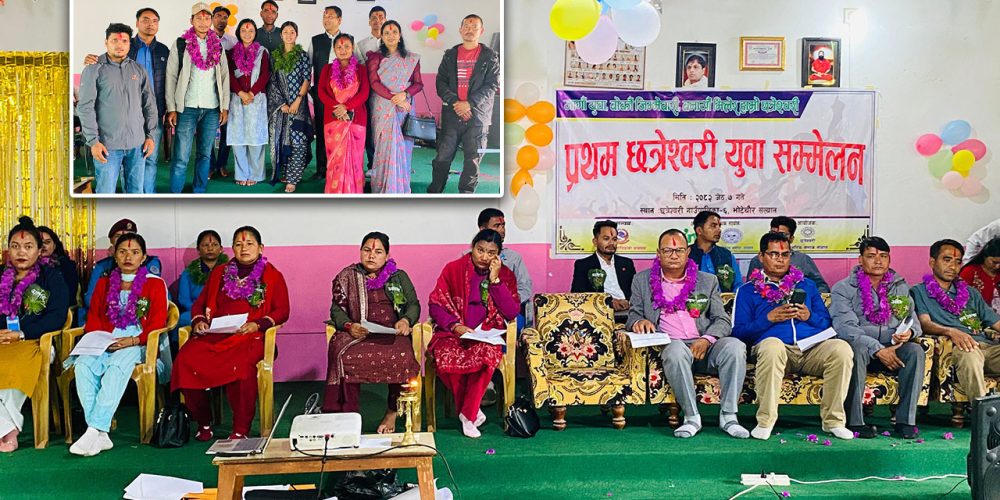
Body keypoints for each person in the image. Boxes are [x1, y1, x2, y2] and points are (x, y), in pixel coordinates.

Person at [732, 231, 854, 441]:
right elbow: (739, 332)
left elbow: (826, 322)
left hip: (810, 349)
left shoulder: (807, 285)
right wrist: (768, 319)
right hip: (774, 350)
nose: (780, 259)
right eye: (774, 254)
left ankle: (834, 421)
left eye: (785, 254)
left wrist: (809, 316)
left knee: (841, 349)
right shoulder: (747, 291)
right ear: (761, 257)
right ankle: (765, 421)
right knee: (772, 346)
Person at [627, 229, 748, 439]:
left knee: (735, 346)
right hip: (673, 346)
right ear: (658, 253)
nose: (674, 255)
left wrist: (706, 339)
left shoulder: (707, 280)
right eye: (668, 250)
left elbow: (722, 320)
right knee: (675, 350)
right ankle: (692, 418)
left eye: (679, 250)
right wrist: (639, 321)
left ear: (688, 252)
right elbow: (633, 315)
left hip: (706, 346)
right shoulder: (642, 280)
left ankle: (729, 416)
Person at [172, 226, 290, 440]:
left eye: (249, 243)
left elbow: (282, 311)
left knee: (241, 366)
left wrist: (257, 324)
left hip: (251, 337)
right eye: (238, 244)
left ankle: (240, 429)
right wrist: (199, 321)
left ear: (261, 248)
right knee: (185, 360)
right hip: (216, 334)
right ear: (232, 249)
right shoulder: (220, 272)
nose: (244, 248)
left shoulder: (273, 275)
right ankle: (203, 421)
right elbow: (199, 305)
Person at [69, 233, 169, 456]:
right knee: (82, 366)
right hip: (107, 339)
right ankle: (101, 435)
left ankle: (93, 430)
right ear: (114, 255)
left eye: (134, 252)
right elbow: (94, 318)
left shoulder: (155, 284)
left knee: (116, 368)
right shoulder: (104, 283)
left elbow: (157, 322)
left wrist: (133, 340)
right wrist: (101, 341)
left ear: (144, 257)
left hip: (138, 341)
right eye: (122, 251)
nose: (128, 257)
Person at [323, 232, 419, 434]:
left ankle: (392, 411)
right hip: (359, 333)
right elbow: (336, 310)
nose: (371, 255)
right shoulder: (347, 276)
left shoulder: (398, 276)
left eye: (378, 252)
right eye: (366, 250)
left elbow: (413, 304)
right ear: (360, 252)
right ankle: (347, 416)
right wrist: (349, 326)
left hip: (392, 333)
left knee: (403, 356)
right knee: (343, 356)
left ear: (387, 255)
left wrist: (405, 320)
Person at [428, 229, 519, 438]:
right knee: (445, 355)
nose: (484, 257)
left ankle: (467, 415)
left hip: (487, 334)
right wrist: (454, 326)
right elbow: (435, 304)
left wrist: (495, 281)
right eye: (480, 250)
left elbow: (511, 312)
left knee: (485, 356)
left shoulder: (505, 275)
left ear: (498, 255)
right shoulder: (453, 269)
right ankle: (471, 412)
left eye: (491, 253)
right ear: (472, 247)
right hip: (454, 333)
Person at [830, 237, 924, 439]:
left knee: (915, 351)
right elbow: (846, 328)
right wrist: (878, 349)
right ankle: (855, 420)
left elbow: (913, 321)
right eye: (871, 256)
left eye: (883, 256)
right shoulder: (843, 288)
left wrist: (910, 333)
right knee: (855, 349)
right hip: (863, 346)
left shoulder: (899, 286)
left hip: (894, 346)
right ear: (860, 260)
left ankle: (905, 421)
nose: (878, 261)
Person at [0, 217, 70, 453]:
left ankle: (7, 431)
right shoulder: (1, 275)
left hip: (36, 342)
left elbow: (57, 316)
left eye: (28, 246)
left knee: (12, 368)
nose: (21, 252)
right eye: (15, 246)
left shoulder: (52, 278)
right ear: (8, 250)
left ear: (40, 251)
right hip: (2, 342)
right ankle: (6, 428)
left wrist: (21, 334)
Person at [82, 8, 170, 193]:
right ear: (106, 42)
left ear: (130, 44)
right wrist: (93, 141)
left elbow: (149, 105)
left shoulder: (138, 70)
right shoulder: (94, 69)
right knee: (106, 192)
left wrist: (150, 136)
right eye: (114, 40)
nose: (119, 45)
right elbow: (85, 107)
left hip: (137, 146)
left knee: (135, 193)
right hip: (107, 146)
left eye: (124, 41)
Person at [912, 239, 1000, 401]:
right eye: (947, 260)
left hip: (987, 347)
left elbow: (996, 322)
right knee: (969, 354)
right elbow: (924, 323)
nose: (953, 267)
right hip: (959, 348)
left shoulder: (971, 293)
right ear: (932, 262)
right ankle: (982, 414)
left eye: (958, 262)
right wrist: (951, 332)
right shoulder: (919, 292)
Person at [427, 14, 500, 194]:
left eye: (474, 27)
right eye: (466, 26)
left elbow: (492, 85)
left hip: (478, 117)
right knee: (442, 157)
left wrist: (469, 103)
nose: (470, 30)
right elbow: (440, 83)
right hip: (452, 115)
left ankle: (466, 195)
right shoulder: (450, 55)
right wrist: (456, 103)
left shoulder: (490, 56)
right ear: (460, 30)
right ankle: (435, 193)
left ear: (481, 31)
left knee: (472, 161)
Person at [165, 2, 231, 194]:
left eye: (207, 18)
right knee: (181, 156)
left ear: (211, 21)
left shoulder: (217, 45)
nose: (203, 22)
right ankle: (175, 193)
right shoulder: (181, 44)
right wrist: (172, 108)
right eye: (199, 18)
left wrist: (224, 107)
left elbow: (224, 76)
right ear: (191, 20)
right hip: (187, 108)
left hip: (212, 108)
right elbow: (171, 77)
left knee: (205, 155)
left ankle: (199, 190)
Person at [367, 20, 422, 194]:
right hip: (382, 108)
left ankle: (399, 186)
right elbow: (374, 83)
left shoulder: (411, 58)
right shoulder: (375, 57)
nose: (391, 36)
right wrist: (394, 98)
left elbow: (418, 84)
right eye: (387, 33)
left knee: (403, 147)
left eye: (394, 32)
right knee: (383, 147)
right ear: (382, 37)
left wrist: (405, 95)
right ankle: (382, 186)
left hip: (403, 109)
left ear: (400, 36)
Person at [80, 219, 162, 325]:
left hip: (141, 316)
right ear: (111, 241)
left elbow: (150, 296)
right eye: (118, 236)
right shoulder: (103, 266)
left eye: (128, 235)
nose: (128, 258)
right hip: (108, 314)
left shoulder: (150, 262)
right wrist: (109, 309)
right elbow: (90, 296)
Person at [318, 33, 370, 194]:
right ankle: (335, 192)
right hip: (333, 120)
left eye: (347, 46)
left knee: (355, 159)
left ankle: (354, 191)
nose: (343, 50)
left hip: (356, 120)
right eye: (339, 47)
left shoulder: (361, 70)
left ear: (353, 48)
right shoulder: (327, 69)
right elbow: (321, 92)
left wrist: (346, 106)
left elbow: (364, 93)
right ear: (334, 49)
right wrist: (338, 108)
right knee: (335, 159)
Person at [266, 21, 312, 193]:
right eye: (285, 32)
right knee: (282, 140)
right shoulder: (275, 56)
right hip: (282, 108)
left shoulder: (303, 55)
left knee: (299, 142)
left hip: (298, 107)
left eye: (292, 32)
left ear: (296, 35)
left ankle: (293, 179)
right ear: (281, 35)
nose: (288, 35)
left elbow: (307, 79)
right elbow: (272, 81)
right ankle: (285, 172)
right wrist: (281, 104)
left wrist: (298, 100)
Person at [226, 18, 271, 187]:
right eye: (244, 31)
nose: (247, 34)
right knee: (238, 137)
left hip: (256, 99)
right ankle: (241, 173)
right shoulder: (231, 53)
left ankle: (256, 174)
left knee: (255, 137)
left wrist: (251, 93)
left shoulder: (262, 52)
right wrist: (241, 93)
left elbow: (265, 74)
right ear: (239, 32)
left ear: (255, 33)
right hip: (237, 99)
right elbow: (229, 75)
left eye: (251, 30)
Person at [308, 6, 346, 182]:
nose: (326, 19)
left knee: (341, 131)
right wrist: (312, 91)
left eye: (331, 16)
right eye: (325, 16)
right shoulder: (315, 41)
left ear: (339, 20)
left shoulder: (348, 40)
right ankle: (321, 169)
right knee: (323, 132)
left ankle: (339, 167)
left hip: (343, 97)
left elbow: (358, 63)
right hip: (321, 96)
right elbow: (307, 67)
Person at [745, 216, 830, 293]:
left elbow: (822, 286)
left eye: (782, 234)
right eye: (773, 233)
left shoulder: (802, 259)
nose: (780, 259)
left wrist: (809, 298)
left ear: (791, 239)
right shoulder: (758, 260)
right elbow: (750, 288)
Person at [571, 220, 636, 317]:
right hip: (599, 314)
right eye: (606, 239)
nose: (611, 243)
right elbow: (577, 296)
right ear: (595, 241)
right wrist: (608, 302)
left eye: (614, 239)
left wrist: (629, 303)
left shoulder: (626, 263)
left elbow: (637, 292)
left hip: (628, 313)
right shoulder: (583, 265)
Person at [209, 5, 238, 180]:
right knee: (208, 130)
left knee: (227, 130)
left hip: (228, 90)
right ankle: (210, 165)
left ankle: (222, 164)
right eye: (218, 16)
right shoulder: (205, 38)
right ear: (212, 18)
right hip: (208, 90)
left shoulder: (233, 42)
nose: (221, 19)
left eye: (225, 17)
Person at [177, 230, 228, 329]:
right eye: (205, 245)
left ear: (221, 249)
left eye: (214, 245)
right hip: (196, 311)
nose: (210, 248)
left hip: (221, 311)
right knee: (182, 318)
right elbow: (184, 300)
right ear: (198, 250)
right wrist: (201, 311)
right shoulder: (188, 273)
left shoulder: (230, 271)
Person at [357, 5, 387, 175]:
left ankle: (388, 164)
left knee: (388, 130)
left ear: (386, 19)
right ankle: (372, 164)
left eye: (381, 17)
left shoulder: (393, 42)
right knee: (370, 128)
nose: (377, 20)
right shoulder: (361, 45)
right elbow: (359, 70)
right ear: (369, 21)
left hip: (389, 95)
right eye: (374, 17)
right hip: (369, 94)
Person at [689, 211, 743, 293]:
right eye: (713, 226)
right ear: (699, 230)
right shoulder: (686, 254)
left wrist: (731, 298)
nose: (719, 230)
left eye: (719, 226)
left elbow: (738, 285)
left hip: (723, 300)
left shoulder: (726, 255)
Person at [38, 226, 80, 306]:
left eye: (47, 242)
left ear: (54, 246)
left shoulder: (67, 266)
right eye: (39, 242)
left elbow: (70, 296)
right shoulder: (26, 266)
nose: (43, 246)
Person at [960, 238, 1000, 314]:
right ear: (985, 256)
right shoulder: (970, 272)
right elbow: (961, 298)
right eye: (994, 262)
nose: (997, 266)